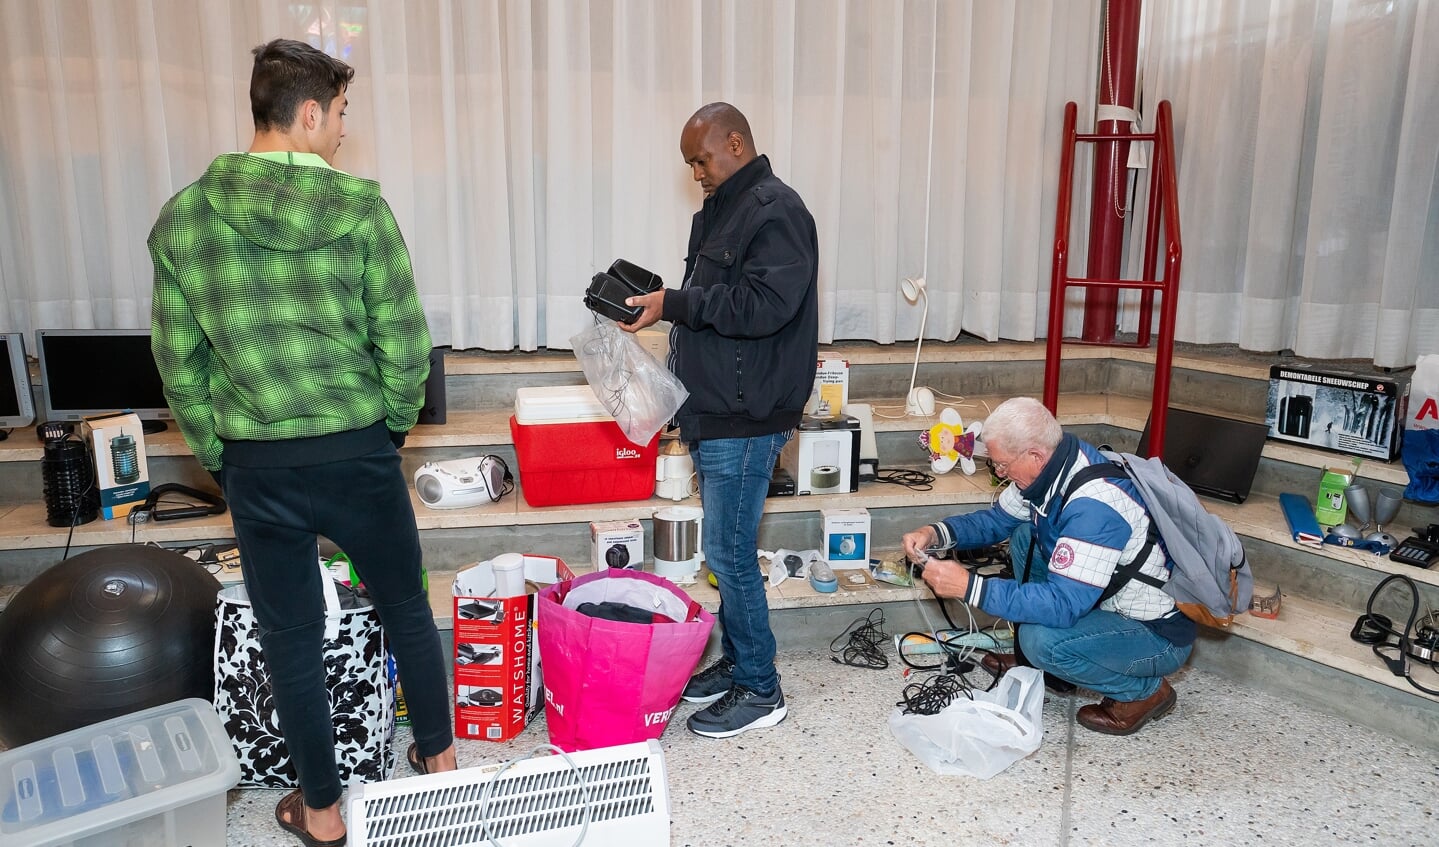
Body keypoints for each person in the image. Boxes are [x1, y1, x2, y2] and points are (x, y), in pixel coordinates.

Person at [148, 38, 456, 846]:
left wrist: (219, 453)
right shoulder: (360, 209)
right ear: (309, 112)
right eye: (343, 113)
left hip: (258, 462)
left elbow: (176, 366)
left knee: (291, 637)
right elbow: (406, 343)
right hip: (356, 447)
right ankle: (440, 768)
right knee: (406, 613)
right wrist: (388, 428)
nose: (347, 130)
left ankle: (320, 812)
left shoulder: (183, 218)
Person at [619, 102, 819, 738]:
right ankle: (739, 663)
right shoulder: (719, 211)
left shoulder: (777, 210)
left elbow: (766, 305)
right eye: (689, 164)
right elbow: (712, 303)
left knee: (728, 552)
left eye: (701, 159)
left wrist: (676, 302)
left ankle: (762, 689)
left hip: (748, 413)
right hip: (717, 408)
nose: (696, 172)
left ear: (735, 141)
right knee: (727, 549)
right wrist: (664, 303)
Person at [901, 397, 1195, 735]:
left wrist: (971, 587)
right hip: (1103, 599)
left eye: (1002, 465)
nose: (1000, 474)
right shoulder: (1056, 463)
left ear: (1035, 455)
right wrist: (935, 533)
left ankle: (1145, 694)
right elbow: (996, 521)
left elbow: (1062, 605)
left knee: (1041, 640)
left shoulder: (1094, 507)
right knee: (1025, 534)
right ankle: (1041, 667)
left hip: (1154, 635)